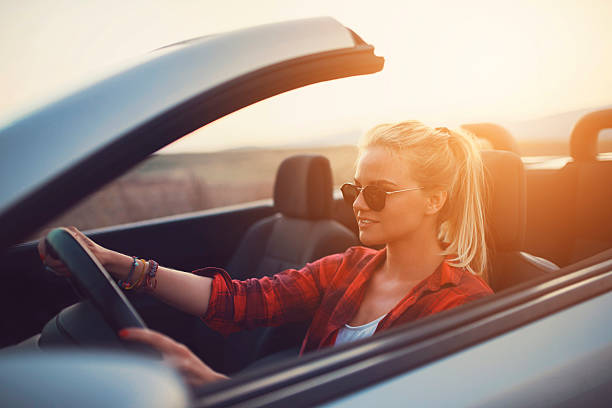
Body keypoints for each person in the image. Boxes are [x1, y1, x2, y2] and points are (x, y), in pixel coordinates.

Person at [39, 120, 494, 386]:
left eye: (377, 193)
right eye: (354, 188)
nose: (356, 204)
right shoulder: (349, 266)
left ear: (434, 200)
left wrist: (221, 389)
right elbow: (242, 300)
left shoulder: (462, 304)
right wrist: (123, 265)